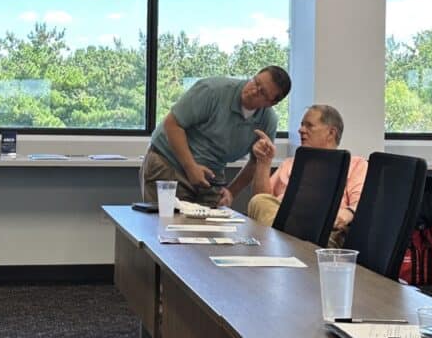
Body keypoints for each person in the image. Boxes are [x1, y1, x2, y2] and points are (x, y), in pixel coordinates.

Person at [141, 66, 290, 207]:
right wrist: (190, 167)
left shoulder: (268, 121)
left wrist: (232, 192)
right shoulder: (213, 90)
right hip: (170, 162)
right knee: (170, 226)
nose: (253, 91)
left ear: (271, 103)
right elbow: (172, 124)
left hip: (210, 175)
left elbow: (255, 162)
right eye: (255, 82)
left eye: (262, 92)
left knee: (213, 227)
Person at [247, 105, 367, 247]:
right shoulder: (290, 163)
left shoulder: (355, 164)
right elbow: (261, 202)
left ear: (331, 133)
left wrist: (347, 213)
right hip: (285, 222)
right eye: (302, 125)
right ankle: (290, 243)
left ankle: (286, 243)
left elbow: (361, 204)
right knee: (259, 201)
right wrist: (264, 162)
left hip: (324, 231)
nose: (301, 130)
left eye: (309, 125)